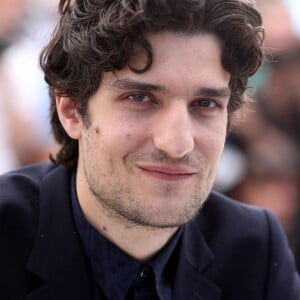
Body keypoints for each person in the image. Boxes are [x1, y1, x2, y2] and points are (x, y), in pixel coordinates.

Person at [0, 0, 299, 299]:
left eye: (206, 104)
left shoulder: (255, 251)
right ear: (72, 111)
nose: (178, 144)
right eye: (140, 98)